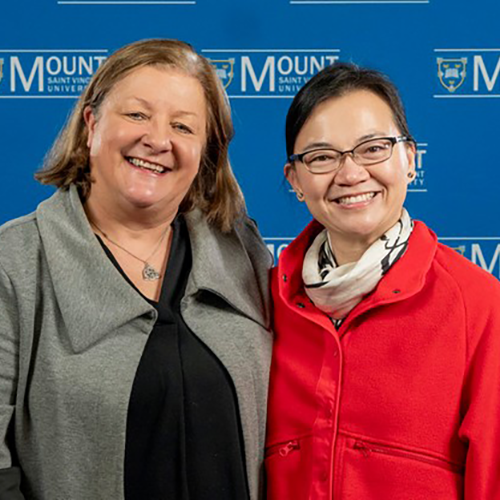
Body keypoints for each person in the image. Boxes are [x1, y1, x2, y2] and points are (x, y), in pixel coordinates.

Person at [0, 39, 272, 500]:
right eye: (137, 115)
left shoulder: (241, 250)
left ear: (205, 151)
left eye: (183, 126)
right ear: (91, 124)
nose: (158, 139)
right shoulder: (16, 262)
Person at [265, 62, 500, 499]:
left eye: (373, 149)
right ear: (294, 180)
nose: (351, 174)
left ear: (410, 158)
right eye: (321, 157)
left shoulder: (480, 306)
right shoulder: (264, 303)